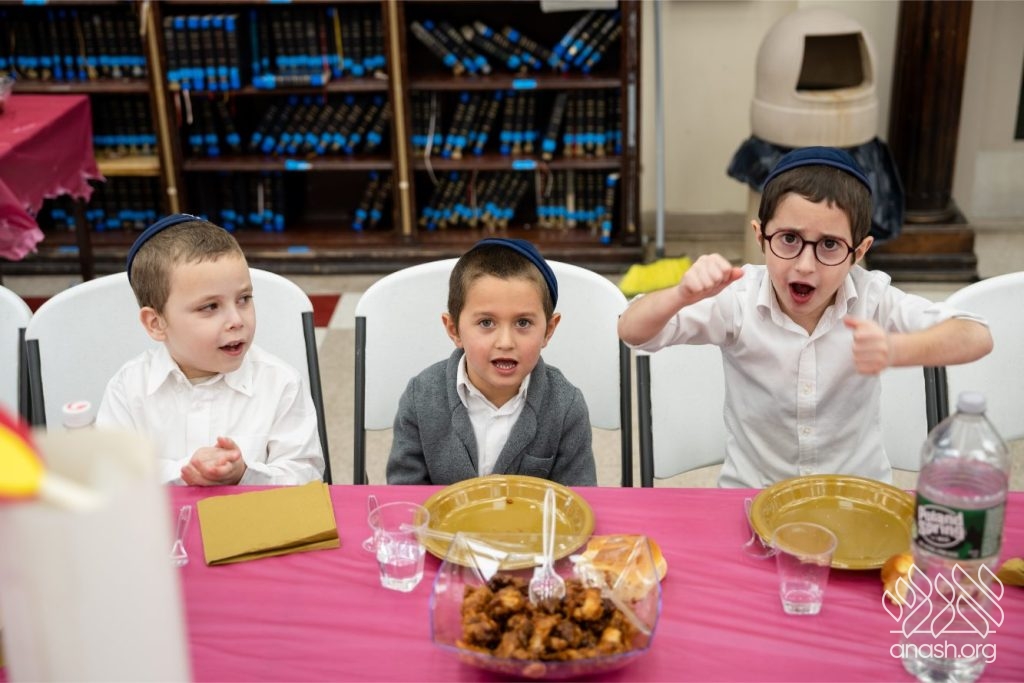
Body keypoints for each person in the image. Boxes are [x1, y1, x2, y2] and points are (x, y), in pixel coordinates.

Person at [618, 147, 993, 488]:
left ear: (859, 251)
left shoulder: (873, 298)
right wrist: (681, 295)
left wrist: (897, 349)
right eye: (788, 239)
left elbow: (976, 335)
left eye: (829, 245)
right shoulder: (737, 299)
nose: (805, 265)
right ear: (761, 236)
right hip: (753, 496)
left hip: (853, 499)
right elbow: (630, 330)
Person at [97, 214, 324, 486]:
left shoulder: (281, 383)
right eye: (210, 307)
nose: (236, 320)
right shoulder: (128, 388)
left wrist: (245, 474)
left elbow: (307, 475)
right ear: (156, 323)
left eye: (244, 299)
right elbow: (110, 475)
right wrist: (186, 472)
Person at [386, 238, 597, 486]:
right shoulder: (420, 397)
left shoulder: (567, 406)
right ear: (454, 329)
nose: (505, 342)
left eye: (523, 323)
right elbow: (404, 492)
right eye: (486, 323)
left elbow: (577, 498)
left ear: (548, 331)